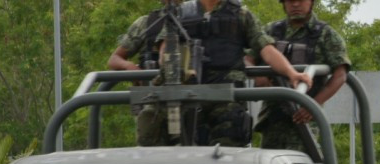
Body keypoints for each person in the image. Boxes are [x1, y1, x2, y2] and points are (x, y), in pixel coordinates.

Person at [137, 0, 313, 147]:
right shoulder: (180, 13)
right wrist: (174, 65)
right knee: (152, 125)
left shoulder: (241, 15)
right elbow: (165, 49)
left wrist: (291, 73)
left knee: (229, 143)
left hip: (225, 94)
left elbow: (266, 49)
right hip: (185, 93)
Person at [254, 0, 351, 152]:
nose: (295, 4)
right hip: (272, 119)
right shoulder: (270, 31)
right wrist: (258, 76)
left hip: (302, 122)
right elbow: (249, 58)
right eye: (290, 0)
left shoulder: (325, 34)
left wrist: (313, 105)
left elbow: (341, 75)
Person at [107, 1, 201, 145]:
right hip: (152, 101)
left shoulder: (198, 18)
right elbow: (114, 59)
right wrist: (129, 66)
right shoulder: (147, 22)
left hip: (189, 102)